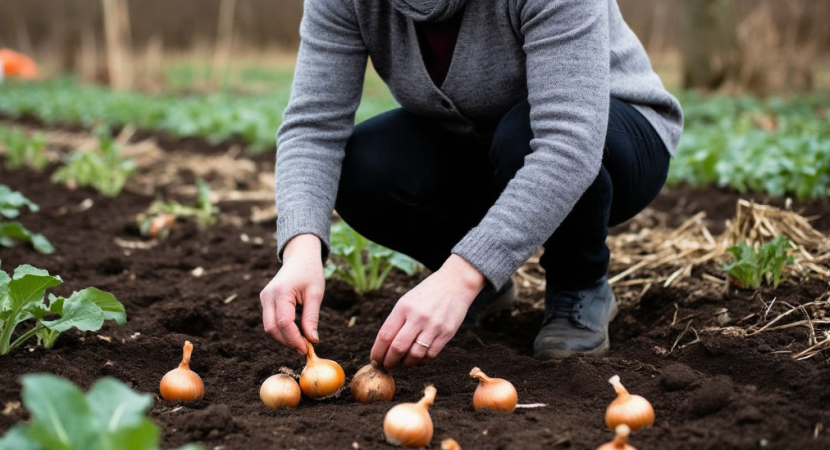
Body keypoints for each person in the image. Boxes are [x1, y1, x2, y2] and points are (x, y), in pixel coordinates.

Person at [261, 0, 683, 368]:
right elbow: (313, 125)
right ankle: (484, 287)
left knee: (525, 135)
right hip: (477, 139)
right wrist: (300, 248)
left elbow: (568, 145)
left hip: (612, 137)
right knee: (364, 165)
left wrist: (462, 277)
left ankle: (579, 284)